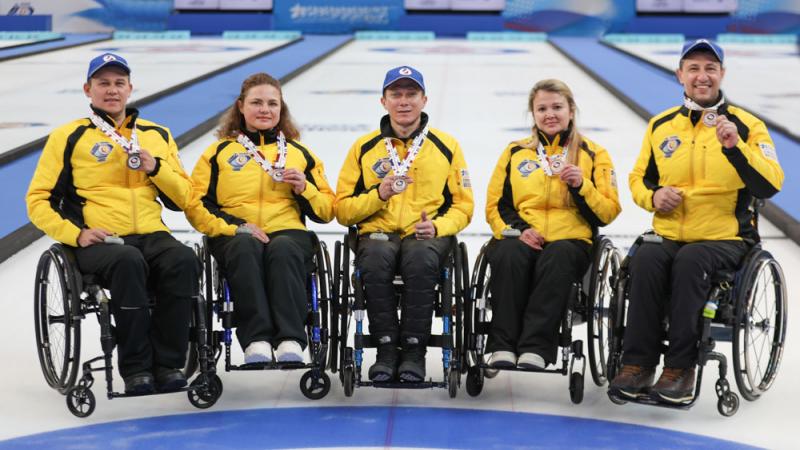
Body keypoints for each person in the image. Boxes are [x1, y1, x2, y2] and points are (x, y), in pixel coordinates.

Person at [609, 39, 784, 403]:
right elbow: (639, 179)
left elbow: (771, 183)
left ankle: (680, 368)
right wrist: (653, 197)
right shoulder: (661, 126)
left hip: (726, 236)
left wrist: (736, 148)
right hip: (670, 231)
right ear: (680, 76)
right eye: (693, 68)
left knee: (691, 262)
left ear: (721, 74)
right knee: (645, 260)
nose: (701, 76)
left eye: (709, 68)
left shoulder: (747, 126)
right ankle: (637, 364)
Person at [26, 53, 198, 394]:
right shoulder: (69, 136)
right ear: (88, 90)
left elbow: (184, 199)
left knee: (183, 260)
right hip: (101, 240)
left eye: (119, 83)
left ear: (130, 89)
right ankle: (136, 368)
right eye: (103, 83)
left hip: (152, 233)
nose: (112, 90)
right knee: (127, 261)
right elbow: (38, 200)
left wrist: (157, 169)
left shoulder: (157, 134)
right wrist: (76, 234)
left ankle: (167, 364)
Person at [335, 66, 474, 382]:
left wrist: (438, 226)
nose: (404, 101)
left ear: (424, 99)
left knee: (421, 257)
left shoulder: (446, 146)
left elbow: (464, 206)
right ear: (383, 101)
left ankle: (414, 353)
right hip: (377, 233)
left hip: (425, 233)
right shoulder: (363, 148)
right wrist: (379, 194)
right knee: (373, 258)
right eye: (396, 94)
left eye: (411, 94)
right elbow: (343, 210)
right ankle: (385, 351)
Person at [185, 73, 335, 365]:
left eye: (272, 103)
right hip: (235, 233)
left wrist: (305, 189)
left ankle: (290, 337)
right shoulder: (218, 153)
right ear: (241, 106)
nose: (264, 109)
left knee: (283, 249)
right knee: (245, 247)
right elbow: (196, 205)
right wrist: (234, 227)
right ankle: (256, 339)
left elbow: (328, 210)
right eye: (256, 102)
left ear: (281, 109)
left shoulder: (301, 154)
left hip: (287, 230)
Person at [484, 79, 621, 370]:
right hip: (524, 234)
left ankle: (536, 347)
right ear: (532, 114)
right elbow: (496, 206)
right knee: (508, 255)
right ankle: (502, 346)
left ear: (571, 110)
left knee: (557, 257)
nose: (550, 114)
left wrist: (581, 186)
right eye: (542, 108)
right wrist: (521, 230)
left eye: (557, 107)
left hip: (570, 240)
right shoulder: (515, 152)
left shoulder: (594, 154)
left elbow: (608, 212)